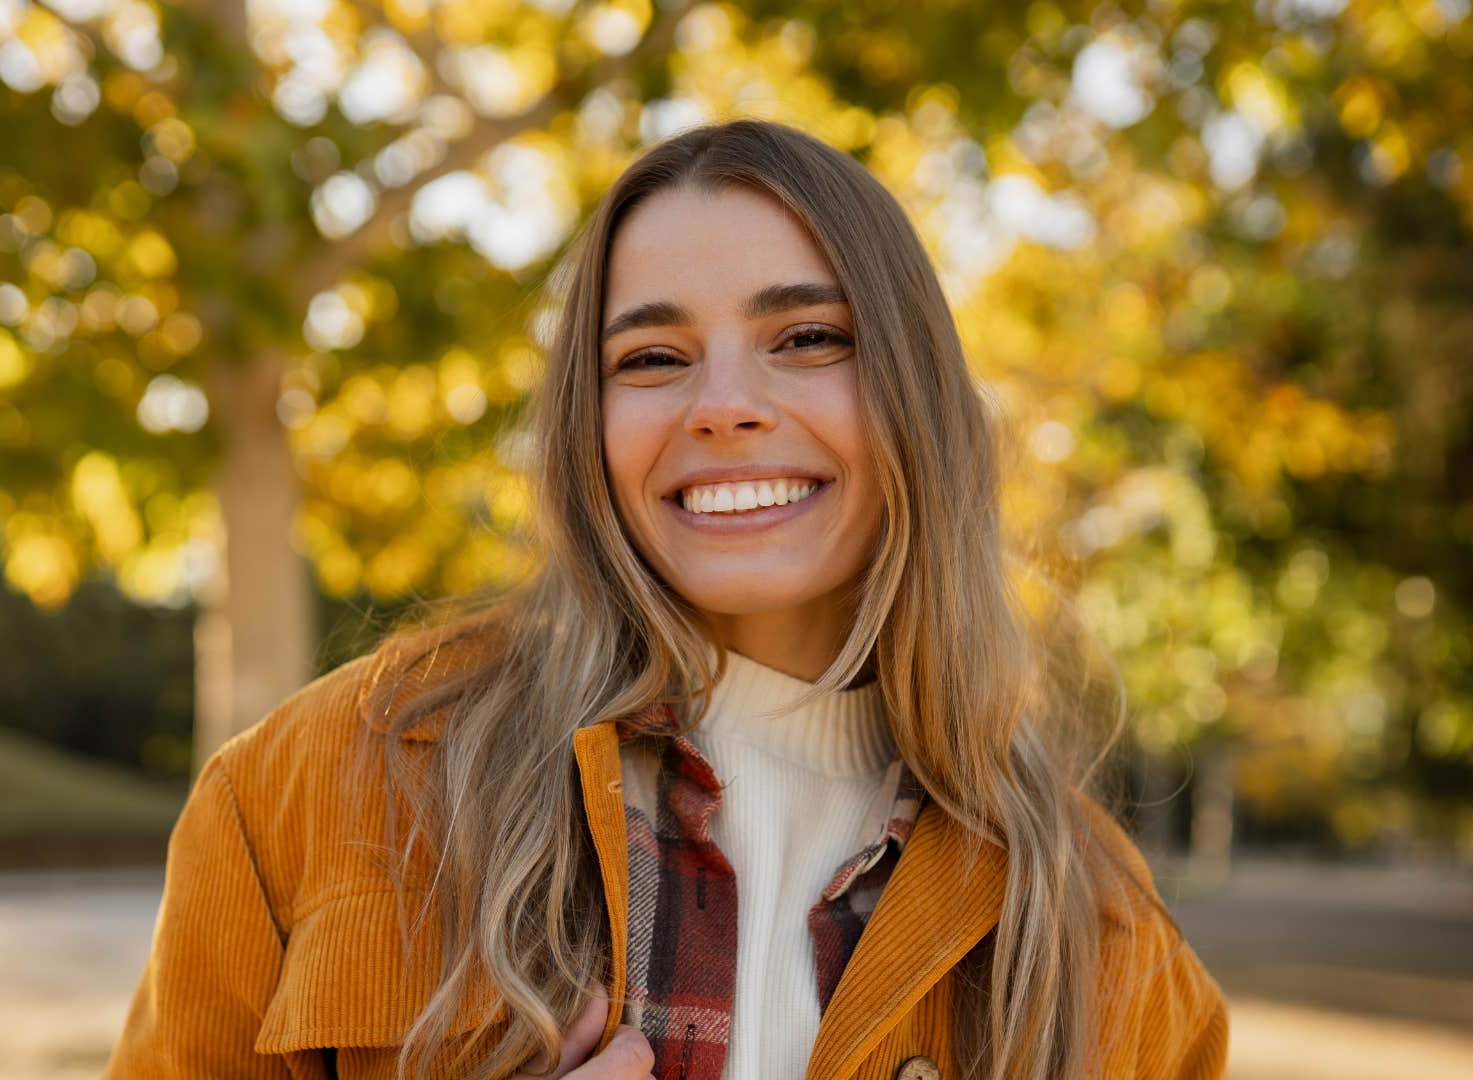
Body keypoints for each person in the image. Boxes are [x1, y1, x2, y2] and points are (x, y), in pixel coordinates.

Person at [106, 118, 1228, 1080]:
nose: (724, 405)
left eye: (808, 338)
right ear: (584, 428)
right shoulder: (311, 785)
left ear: (918, 396)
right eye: (650, 358)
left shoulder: (1100, 924)